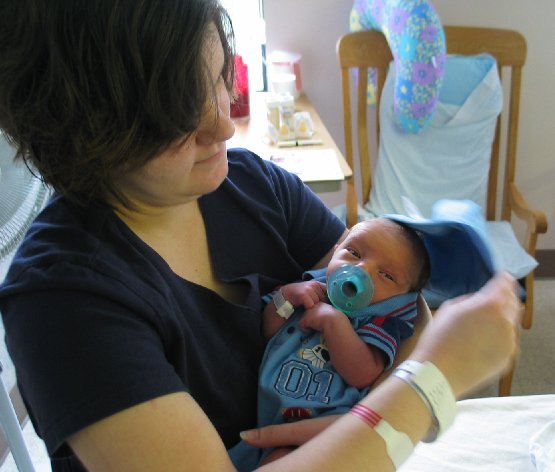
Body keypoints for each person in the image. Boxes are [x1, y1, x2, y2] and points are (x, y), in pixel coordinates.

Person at [0, 1, 520, 471]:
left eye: (216, 79)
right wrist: (428, 384)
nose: (223, 126)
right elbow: (408, 374)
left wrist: (354, 426)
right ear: (89, 135)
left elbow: (398, 309)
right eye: (177, 115)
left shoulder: (255, 184)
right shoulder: (63, 300)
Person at [241, 218, 430, 467]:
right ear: (335, 249)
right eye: (354, 253)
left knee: (282, 461)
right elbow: (269, 333)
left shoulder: (379, 319)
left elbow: (363, 373)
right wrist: (286, 296)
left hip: (331, 424)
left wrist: (334, 323)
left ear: (403, 297)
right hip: (272, 413)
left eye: (386, 275)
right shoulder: (311, 289)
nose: (361, 269)